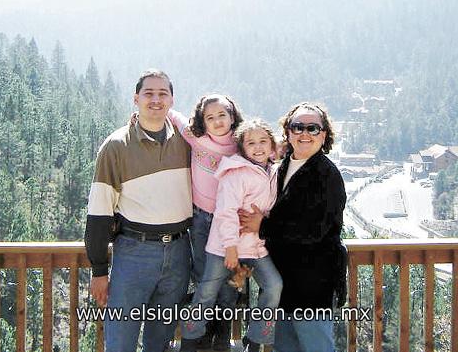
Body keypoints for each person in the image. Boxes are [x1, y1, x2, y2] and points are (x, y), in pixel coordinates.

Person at [84, 69, 193, 352]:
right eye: (149, 93)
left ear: (172, 100)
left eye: (162, 94)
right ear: (136, 99)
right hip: (134, 253)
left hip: (180, 251)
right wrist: (98, 269)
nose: (155, 100)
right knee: (121, 341)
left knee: (160, 342)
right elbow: (99, 211)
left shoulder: (187, 142)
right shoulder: (117, 146)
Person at [131, 93, 244, 350]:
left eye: (222, 115)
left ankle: (222, 330)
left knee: (230, 275)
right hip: (201, 219)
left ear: (233, 116)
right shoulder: (196, 139)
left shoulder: (241, 144)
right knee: (204, 273)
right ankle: (201, 332)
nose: (217, 121)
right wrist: (142, 115)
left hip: (230, 222)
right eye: (210, 117)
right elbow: (173, 114)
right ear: (202, 120)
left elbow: (266, 151)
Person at [239, 103, 347, 352]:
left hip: (313, 287)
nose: (304, 133)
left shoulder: (327, 175)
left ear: (324, 135)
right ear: (287, 132)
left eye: (313, 128)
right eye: (298, 127)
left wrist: (263, 226)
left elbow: (314, 230)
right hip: (283, 284)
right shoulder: (282, 166)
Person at [180, 119, 283, 352]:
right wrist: (230, 247)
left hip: (256, 247)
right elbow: (225, 212)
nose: (258, 147)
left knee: (274, 285)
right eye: (251, 143)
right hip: (224, 248)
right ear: (242, 148)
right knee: (206, 293)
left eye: (263, 141)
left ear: (272, 144)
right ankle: (189, 340)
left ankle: (255, 340)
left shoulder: (274, 172)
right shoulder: (236, 173)